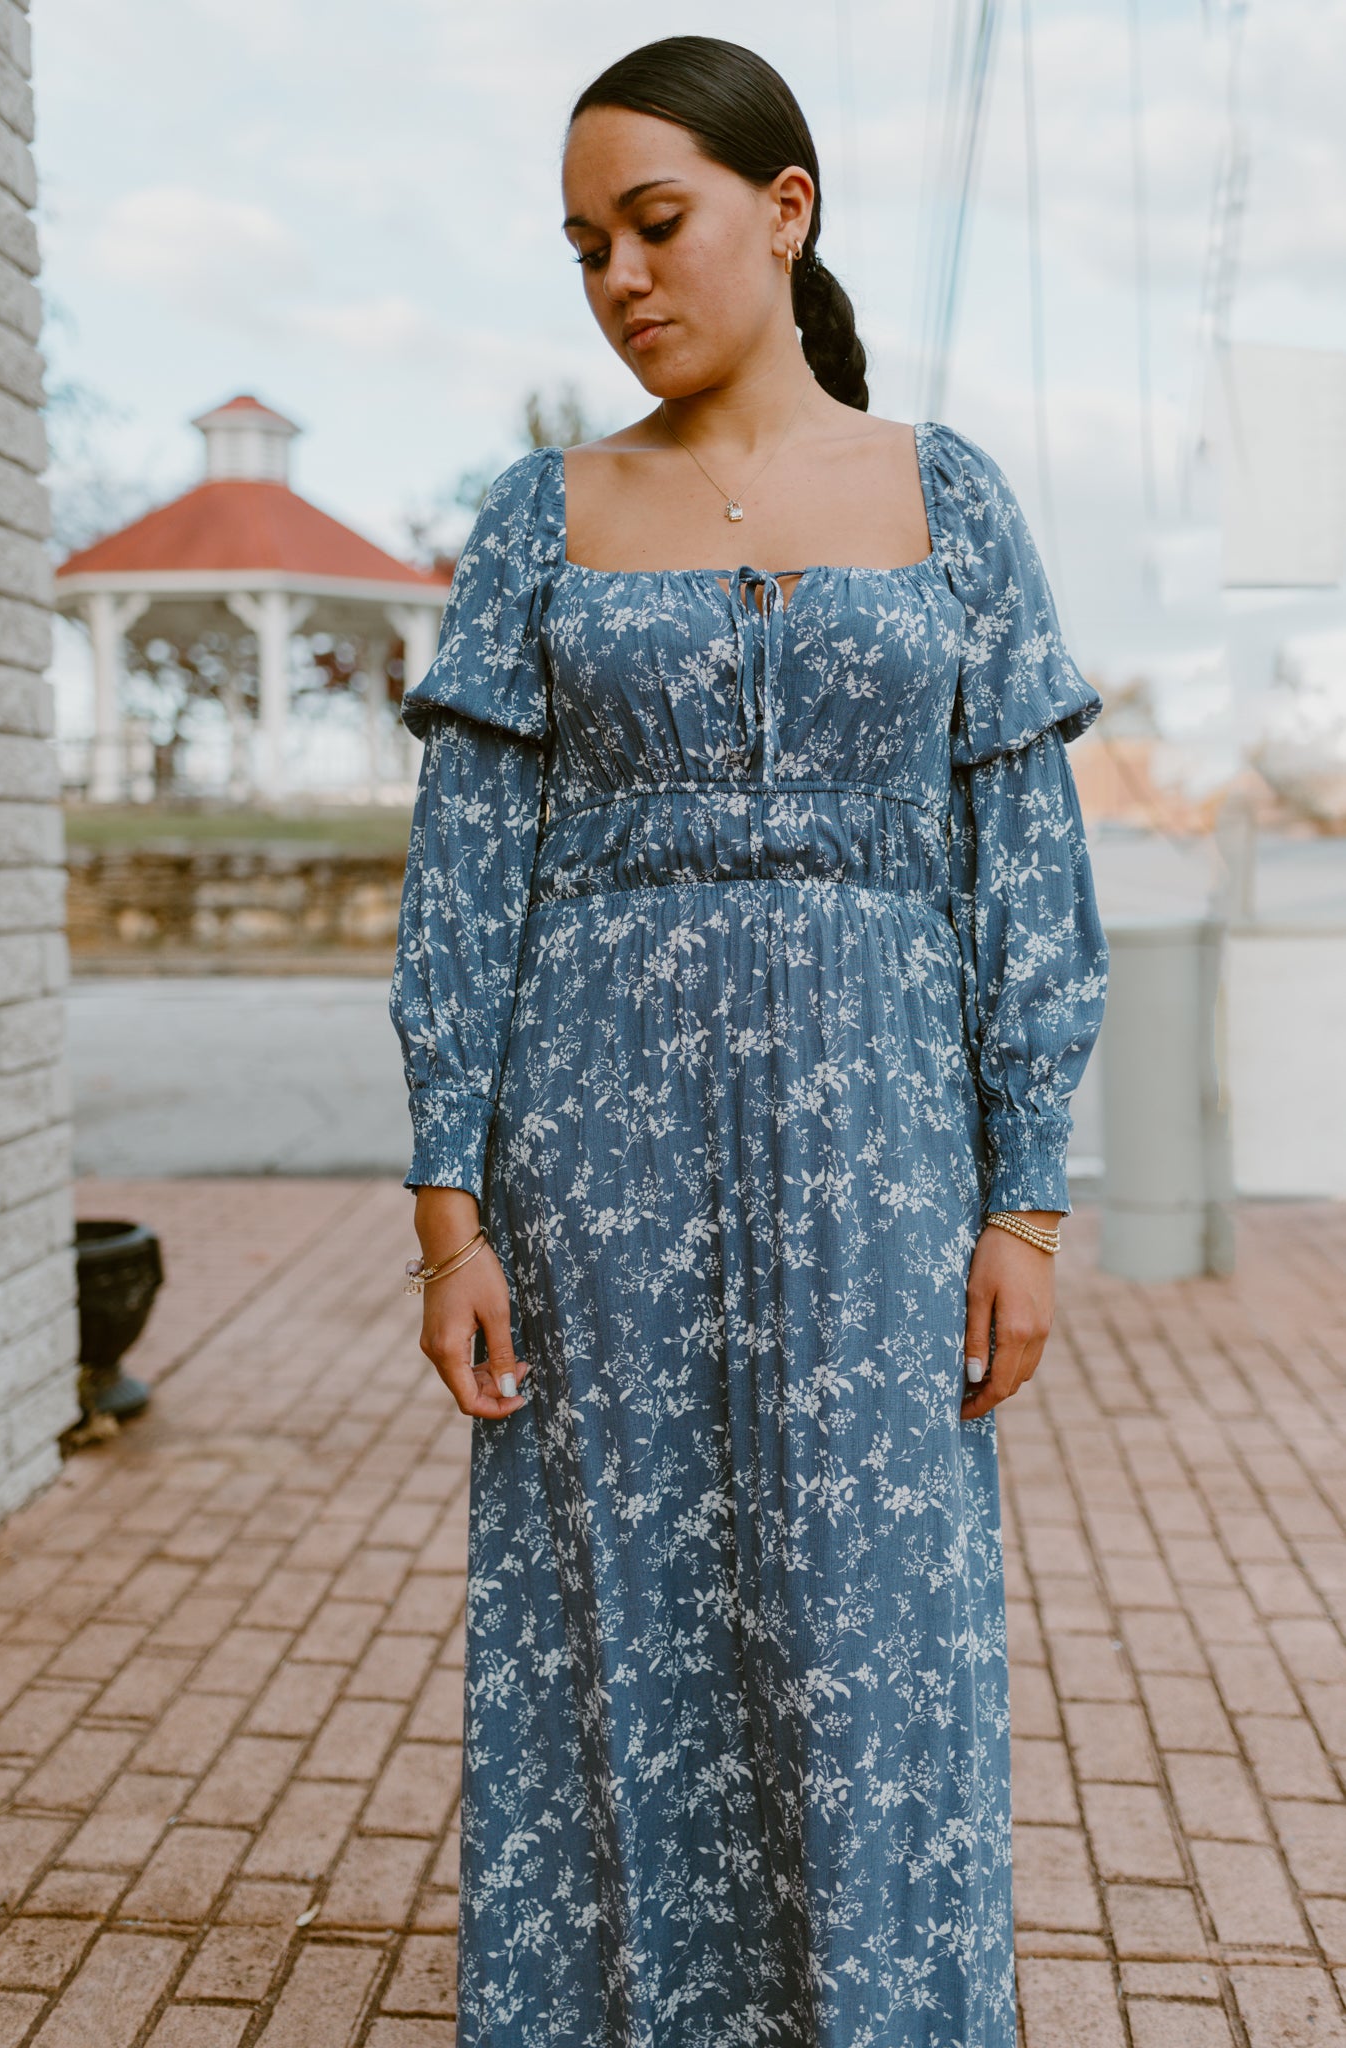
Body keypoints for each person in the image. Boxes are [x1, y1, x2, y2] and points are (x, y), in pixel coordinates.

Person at [390, 33, 1107, 2048]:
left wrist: (1025, 1206)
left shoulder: (944, 497)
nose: (620, 278)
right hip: (593, 1180)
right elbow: (463, 888)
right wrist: (450, 1220)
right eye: (583, 247)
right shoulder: (538, 518)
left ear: (783, 211)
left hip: (889, 1185)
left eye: (657, 222)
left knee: (881, 1647)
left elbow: (1023, 882)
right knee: (622, 1638)